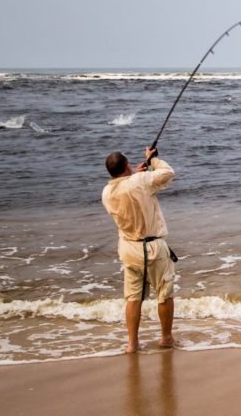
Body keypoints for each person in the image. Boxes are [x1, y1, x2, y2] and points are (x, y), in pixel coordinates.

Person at [101, 146, 177, 353]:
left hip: (128, 248)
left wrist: (137, 176)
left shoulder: (107, 192)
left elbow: (131, 189)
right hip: (152, 247)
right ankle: (166, 338)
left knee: (133, 297)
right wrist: (153, 161)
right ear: (126, 166)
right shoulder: (139, 182)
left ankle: (132, 343)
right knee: (164, 293)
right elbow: (168, 173)